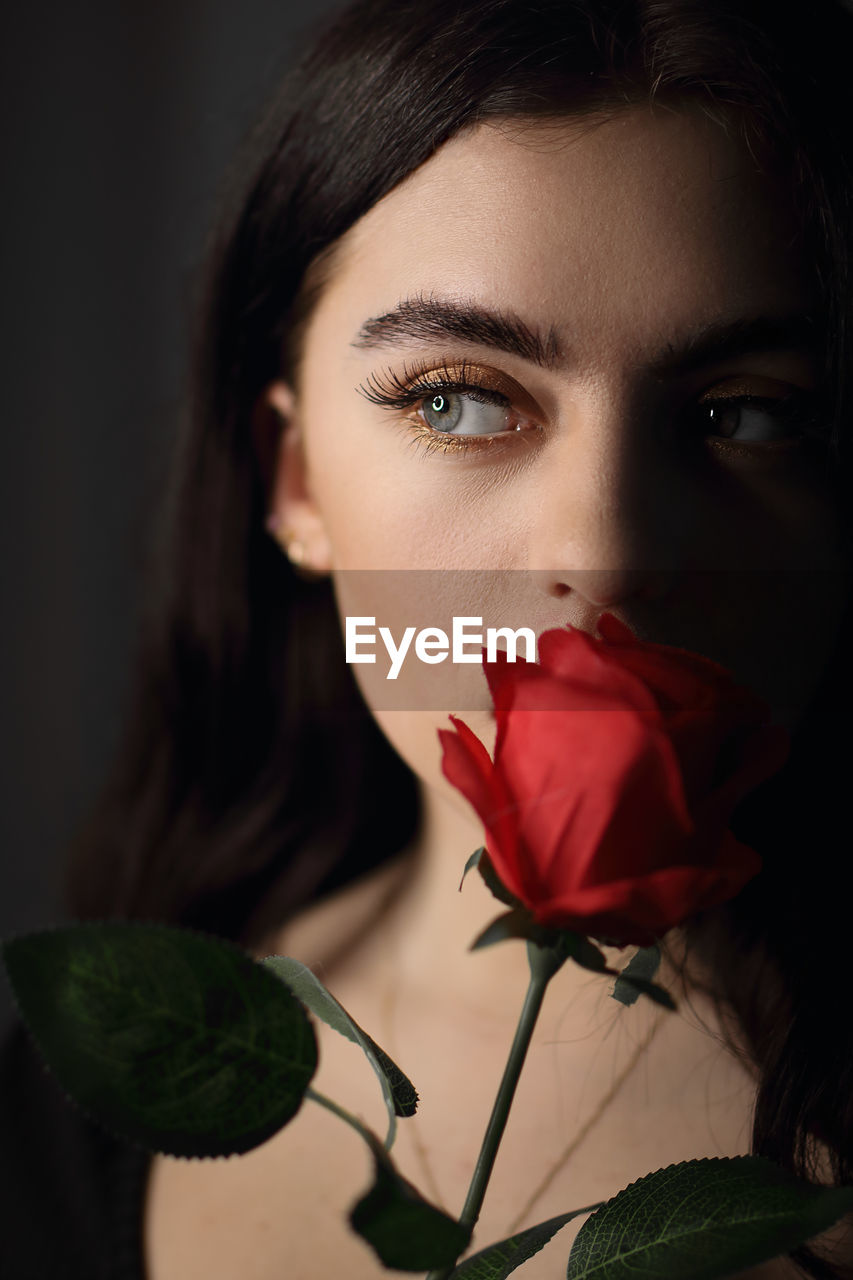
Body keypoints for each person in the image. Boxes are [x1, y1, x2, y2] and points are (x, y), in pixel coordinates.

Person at [3, 0, 853, 1276]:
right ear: (292, 481)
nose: (605, 556)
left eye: (745, 417)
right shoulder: (74, 1110)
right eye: (458, 398)